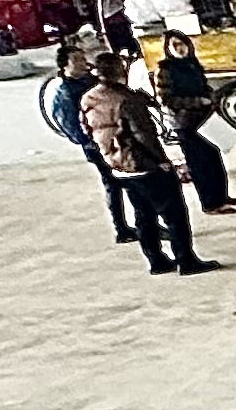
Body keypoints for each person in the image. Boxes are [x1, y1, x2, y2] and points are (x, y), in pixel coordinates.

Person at [80, 57, 214, 276]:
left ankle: (156, 261)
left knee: (143, 215)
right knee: (174, 215)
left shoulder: (89, 98)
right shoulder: (126, 99)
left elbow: (87, 129)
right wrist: (161, 160)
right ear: (118, 70)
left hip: (118, 166)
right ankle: (185, 260)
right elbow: (144, 135)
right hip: (144, 165)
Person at [45, 34, 133, 245]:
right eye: (76, 60)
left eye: (83, 57)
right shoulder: (65, 92)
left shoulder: (90, 81)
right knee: (114, 184)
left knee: (129, 182)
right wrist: (95, 143)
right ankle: (121, 228)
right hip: (97, 146)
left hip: (115, 139)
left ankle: (132, 224)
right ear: (65, 66)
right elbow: (72, 128)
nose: (83, 62)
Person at [152, 36, 236, 214]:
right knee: (200, 164)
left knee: (214, 159)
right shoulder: (165, 70)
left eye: (182, 44)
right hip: (186, 124)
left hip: (205, 120)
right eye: (174, 45)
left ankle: (221, 196)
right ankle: (210, 203)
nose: (179, 48)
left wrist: (211, 97)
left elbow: (203, 85)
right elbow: (167, 100)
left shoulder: (192, 64)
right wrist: (197, 101)